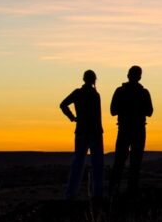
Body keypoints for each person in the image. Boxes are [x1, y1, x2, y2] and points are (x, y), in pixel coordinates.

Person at [109, 65, 153, 197]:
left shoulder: (120, 91)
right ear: (139, 77)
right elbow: (149, 112)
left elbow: (113, 111)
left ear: (128, 75)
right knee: (135, 162)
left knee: (119, 161)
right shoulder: (144, 92)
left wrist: (125, 108)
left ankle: (114, 191)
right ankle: (131, 192)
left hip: (124, 129)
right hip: (138, 130)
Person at [60, 69, 104, 200]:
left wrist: (73, 118)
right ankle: (97, 195)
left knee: (78, 163)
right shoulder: (95, 95)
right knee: (97, 164)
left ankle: (71, 194)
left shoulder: (78, 93)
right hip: (95, 132)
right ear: (94, 80)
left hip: (81, 131)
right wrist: (73, 118)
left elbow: (63, 105)